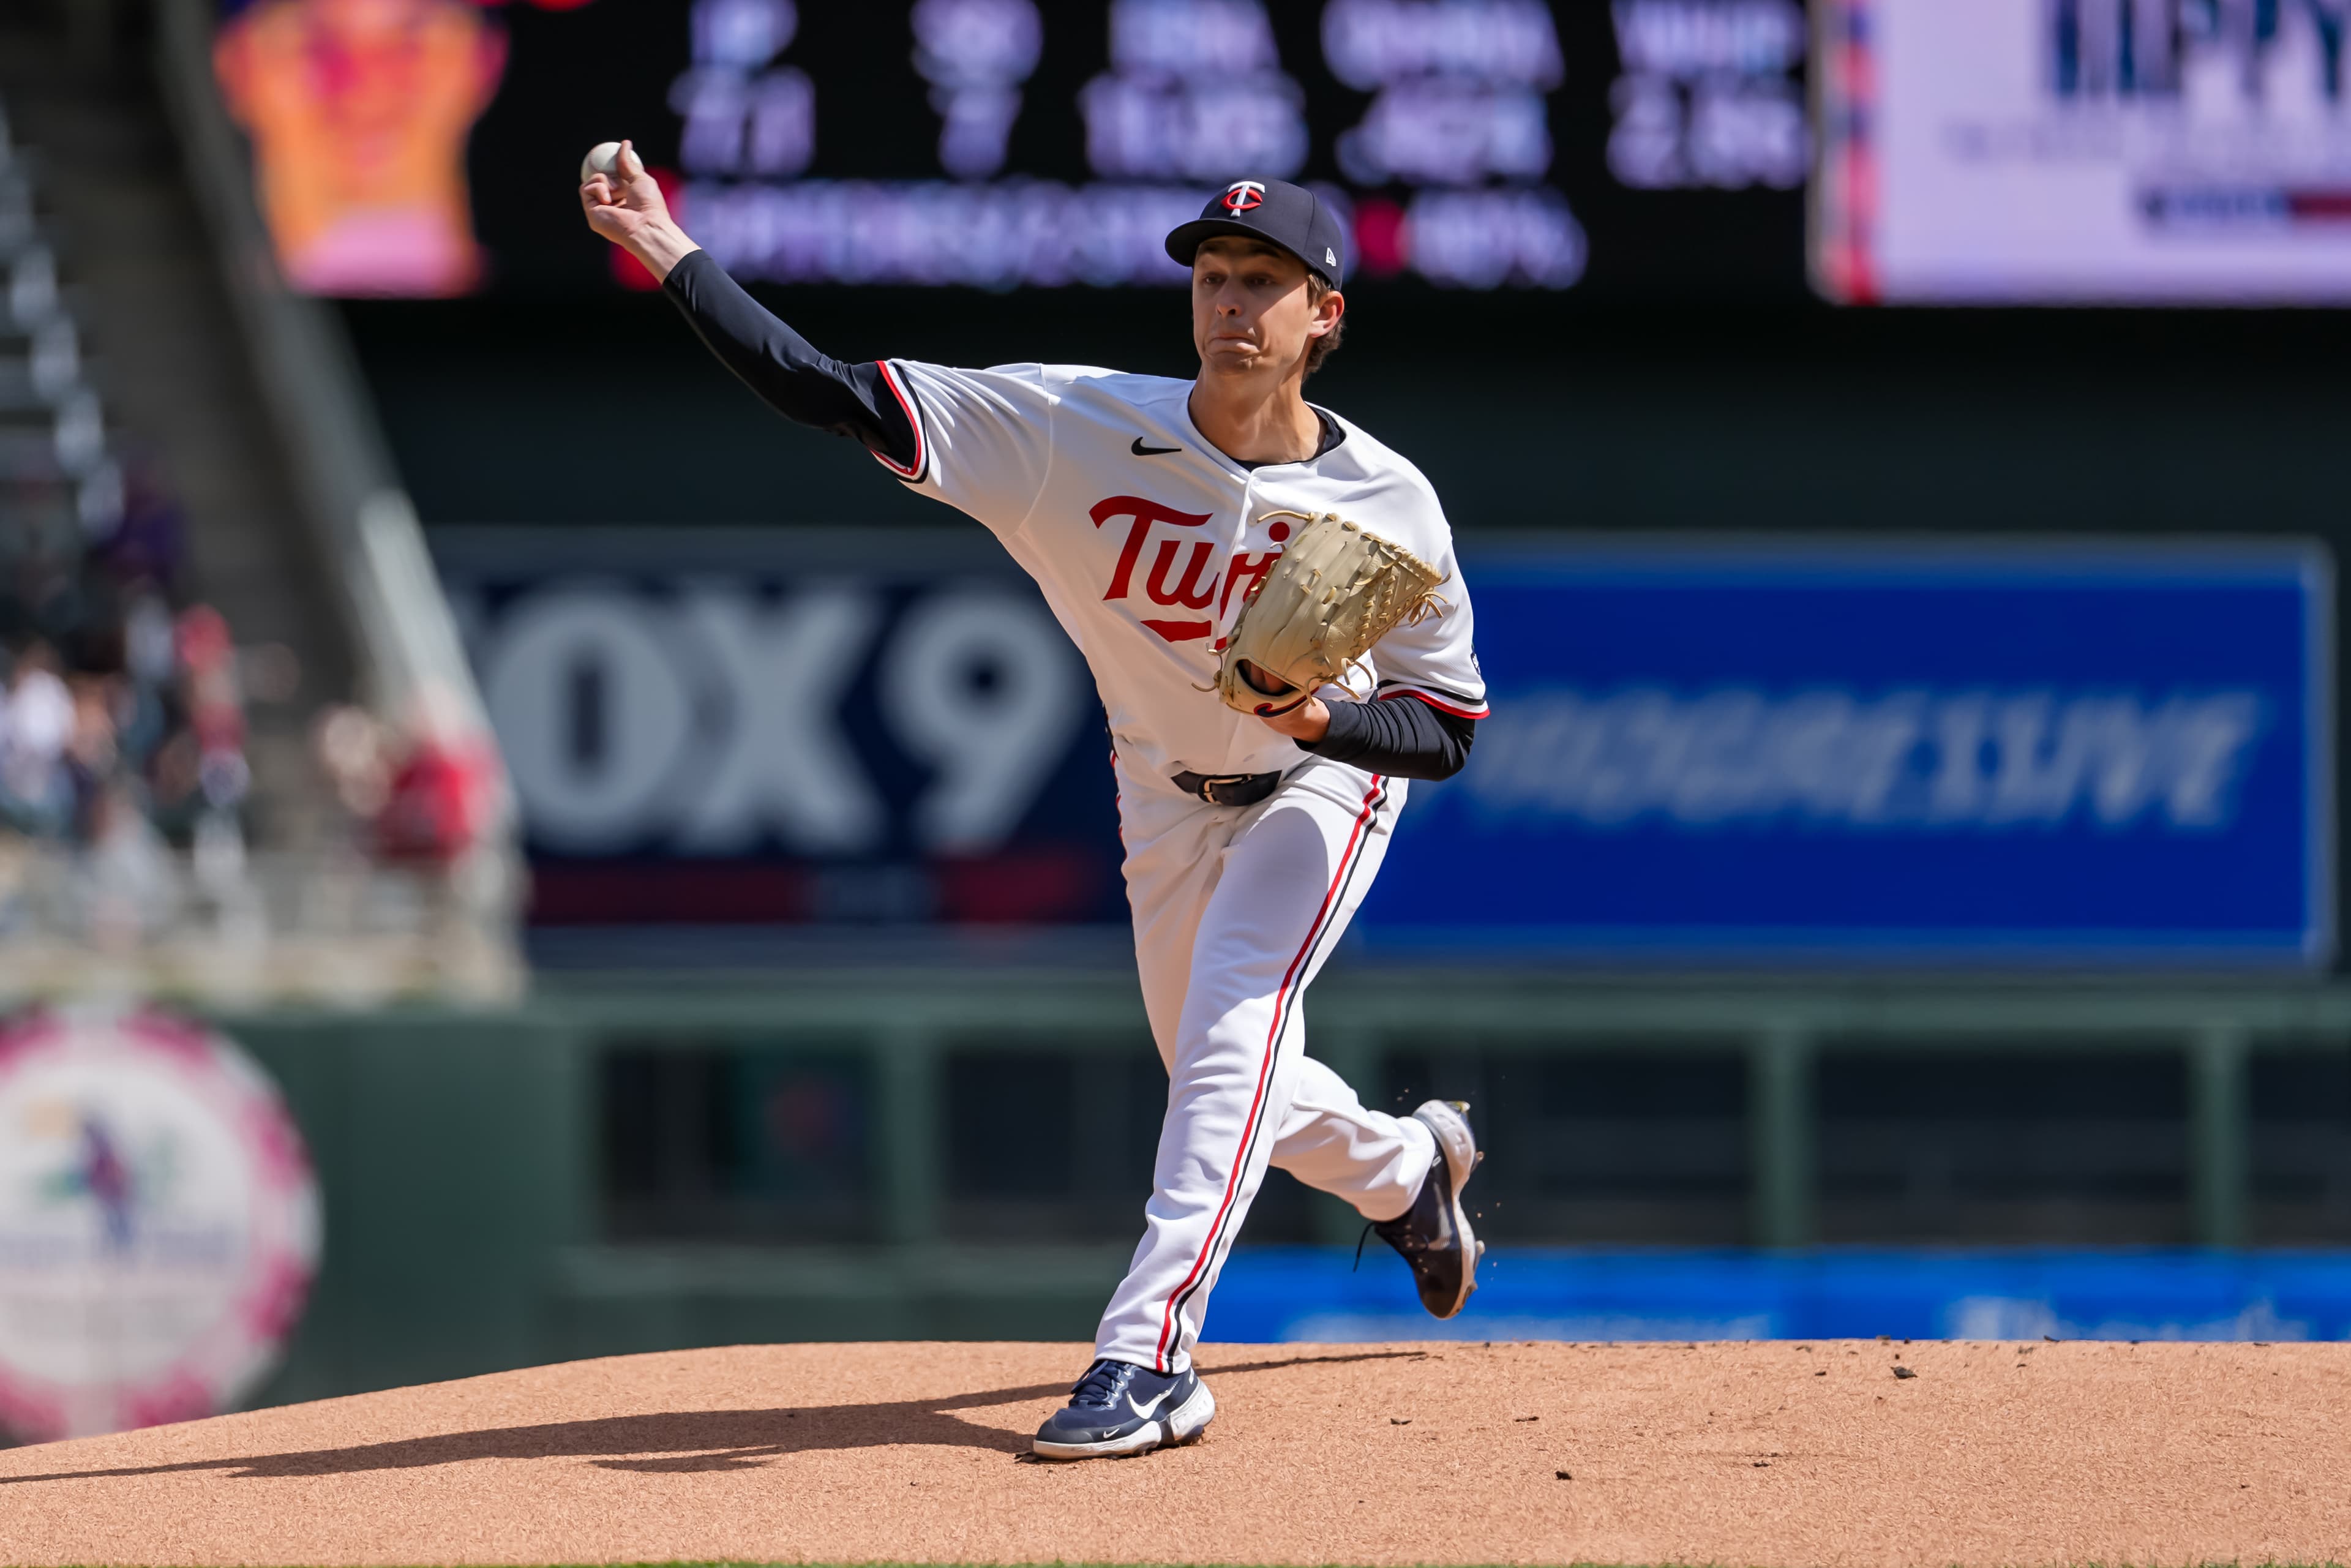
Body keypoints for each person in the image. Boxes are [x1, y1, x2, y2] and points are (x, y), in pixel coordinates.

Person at [582, 149, 1491, 1461]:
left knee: (1234, 1018)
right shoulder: (1070, 427)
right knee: (1222, 1081)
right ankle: (1410, 1174)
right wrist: (667, 249)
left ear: (1324, 315)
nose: (1230, 301)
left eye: (1264, 283)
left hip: (1319, 783)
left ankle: (1153, 1352)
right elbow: (830, 394)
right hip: (1163, 792)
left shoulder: (1387, 501)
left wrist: (1332, 723)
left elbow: (1446, 729)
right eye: (1214, 277)